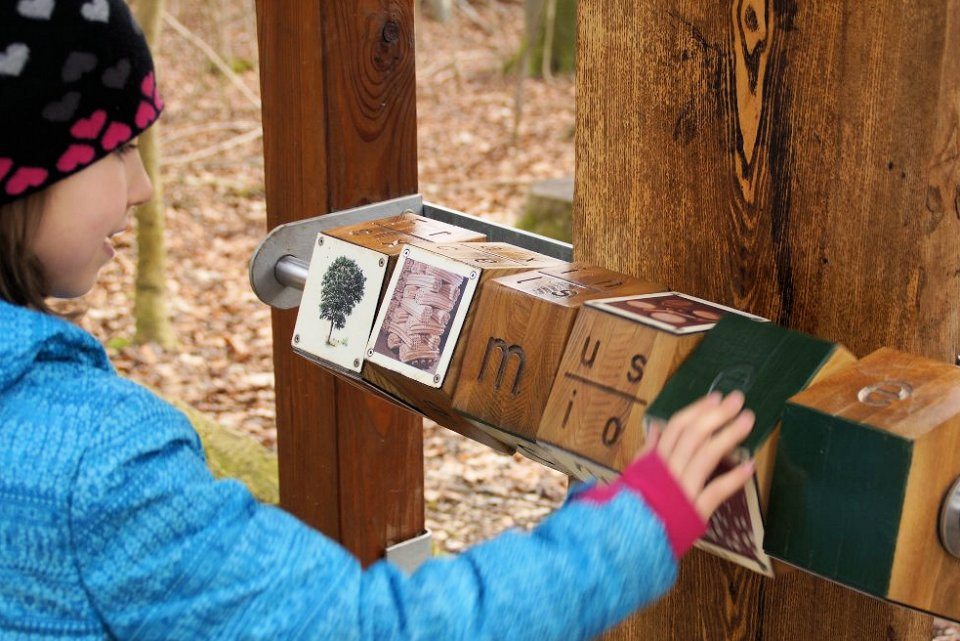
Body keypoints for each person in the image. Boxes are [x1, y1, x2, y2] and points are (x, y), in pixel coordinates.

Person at [0, 2, 756, 639]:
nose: (142, 187)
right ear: (26, 165)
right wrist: (634, 526)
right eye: (120, 148)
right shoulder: (95, 468)